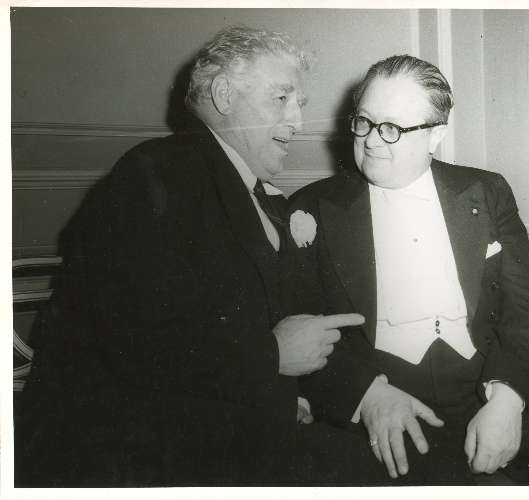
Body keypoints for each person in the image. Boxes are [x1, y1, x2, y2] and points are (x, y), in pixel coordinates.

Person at [16, 26, 389, 487]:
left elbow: (280, 323)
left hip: (212, 430)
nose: (297, 120)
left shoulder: (256, 194)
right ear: (224, 95)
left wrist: (373, 395)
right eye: (281, 98)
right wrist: (271, 356)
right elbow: (130, 343)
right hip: (121, 454)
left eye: (300, 103)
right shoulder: (154, 173)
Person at [282, 54, 529, 485]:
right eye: (363, 122)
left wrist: (508, 398)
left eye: (392, 128)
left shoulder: (486, 191)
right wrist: (367, 395)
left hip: (488, 378)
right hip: (385, 390)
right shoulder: (311, 208)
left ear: (435, 134)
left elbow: (526, 307)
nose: (371, 141)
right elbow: (299, 327)